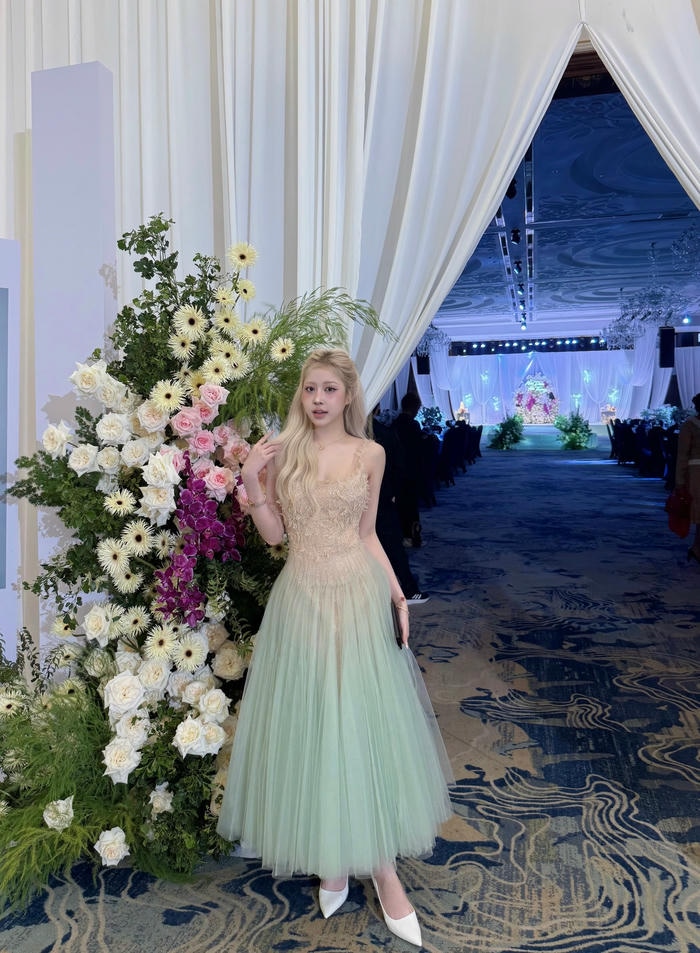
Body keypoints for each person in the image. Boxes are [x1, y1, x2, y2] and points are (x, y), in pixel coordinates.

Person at [217, 349, 453, 947]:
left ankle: (383, 868)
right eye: (309, 389)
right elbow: (275, 536)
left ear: (348, 396)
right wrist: (252, 481)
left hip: (356, 591)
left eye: (329, 389)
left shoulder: (370, 453)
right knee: (316, 719)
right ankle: (333, 855)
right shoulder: (283, 453)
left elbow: (369, 533)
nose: (318, 399)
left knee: (361, 718)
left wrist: (398, 595)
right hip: (300, 597)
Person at [370, 406, 429, 604]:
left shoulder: (349, 434)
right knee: (392, 545)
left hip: (369, 498)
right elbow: (399, 465)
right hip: (383, 497)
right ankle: (408, 590)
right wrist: (393, 493)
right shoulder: (384, 433)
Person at [675, 392, 700, 563]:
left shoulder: (689, 425)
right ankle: (697, 547)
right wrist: (680, 481)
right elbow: (683, 455)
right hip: (696, 473)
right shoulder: (690, 425)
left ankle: (696, 547)